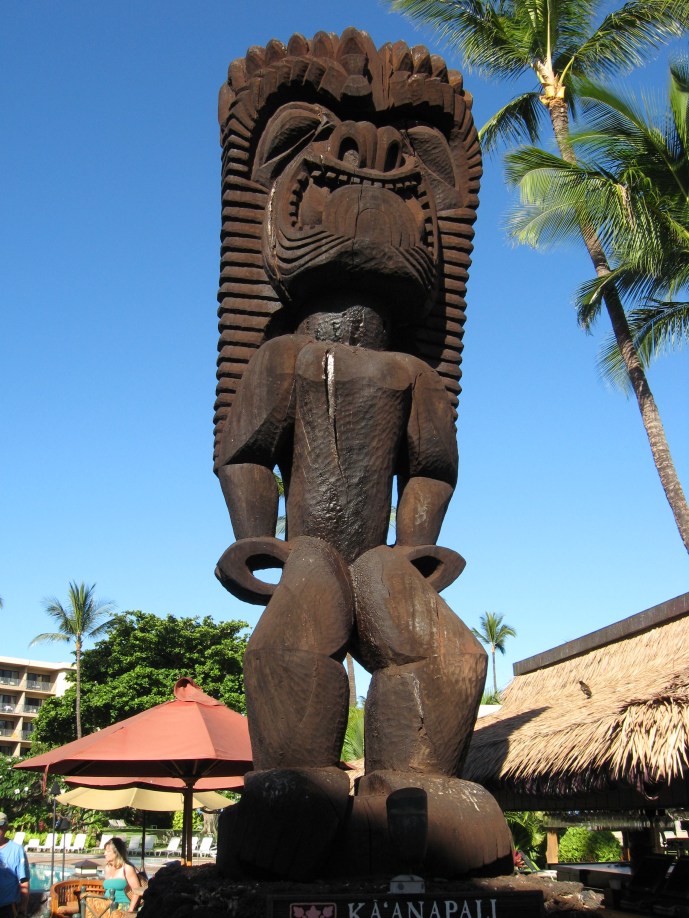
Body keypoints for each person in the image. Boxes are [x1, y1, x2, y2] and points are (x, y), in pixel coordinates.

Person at [0, 814, 29, 918]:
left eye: (0, 827)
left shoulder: (17, 850)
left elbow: (24, 882)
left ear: (6, 827)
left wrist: (23, 909)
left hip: (8, 909)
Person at [103, 838, 140, 914]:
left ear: (116, 853)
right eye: (105, 851)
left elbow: (137, 891)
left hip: (122, 907)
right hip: (106, 906)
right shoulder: (107, 868)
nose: (104, 853)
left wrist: (130, 910)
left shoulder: (127, 868)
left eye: (108, 851)